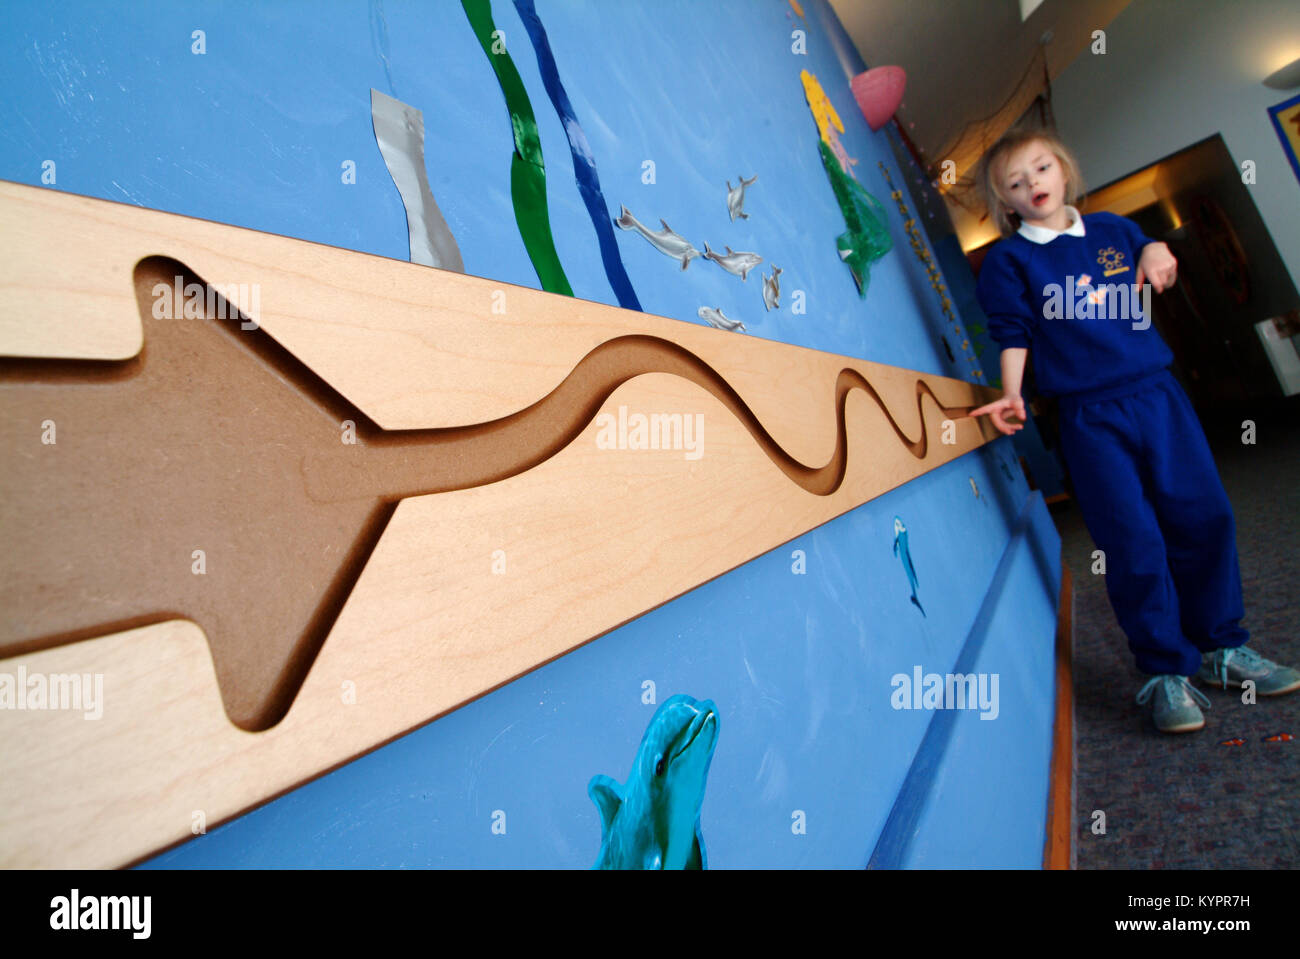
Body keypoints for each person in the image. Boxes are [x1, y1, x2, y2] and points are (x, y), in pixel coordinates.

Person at [970, 127, 1299, 733]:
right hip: (1089, 417)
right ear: (1006, 202)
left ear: (1063, 170)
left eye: (1041, 169)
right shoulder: (1010, 261)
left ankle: (1221, 649)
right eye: (1015, 183)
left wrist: (1154, 249)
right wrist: (1012, 393)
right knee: (1133, 541)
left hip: (1157, 397)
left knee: (1204, 517)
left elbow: (1151, 252)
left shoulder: (1116, 232)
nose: (1032, 184)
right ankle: (1165, 670)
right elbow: (1011, 331)